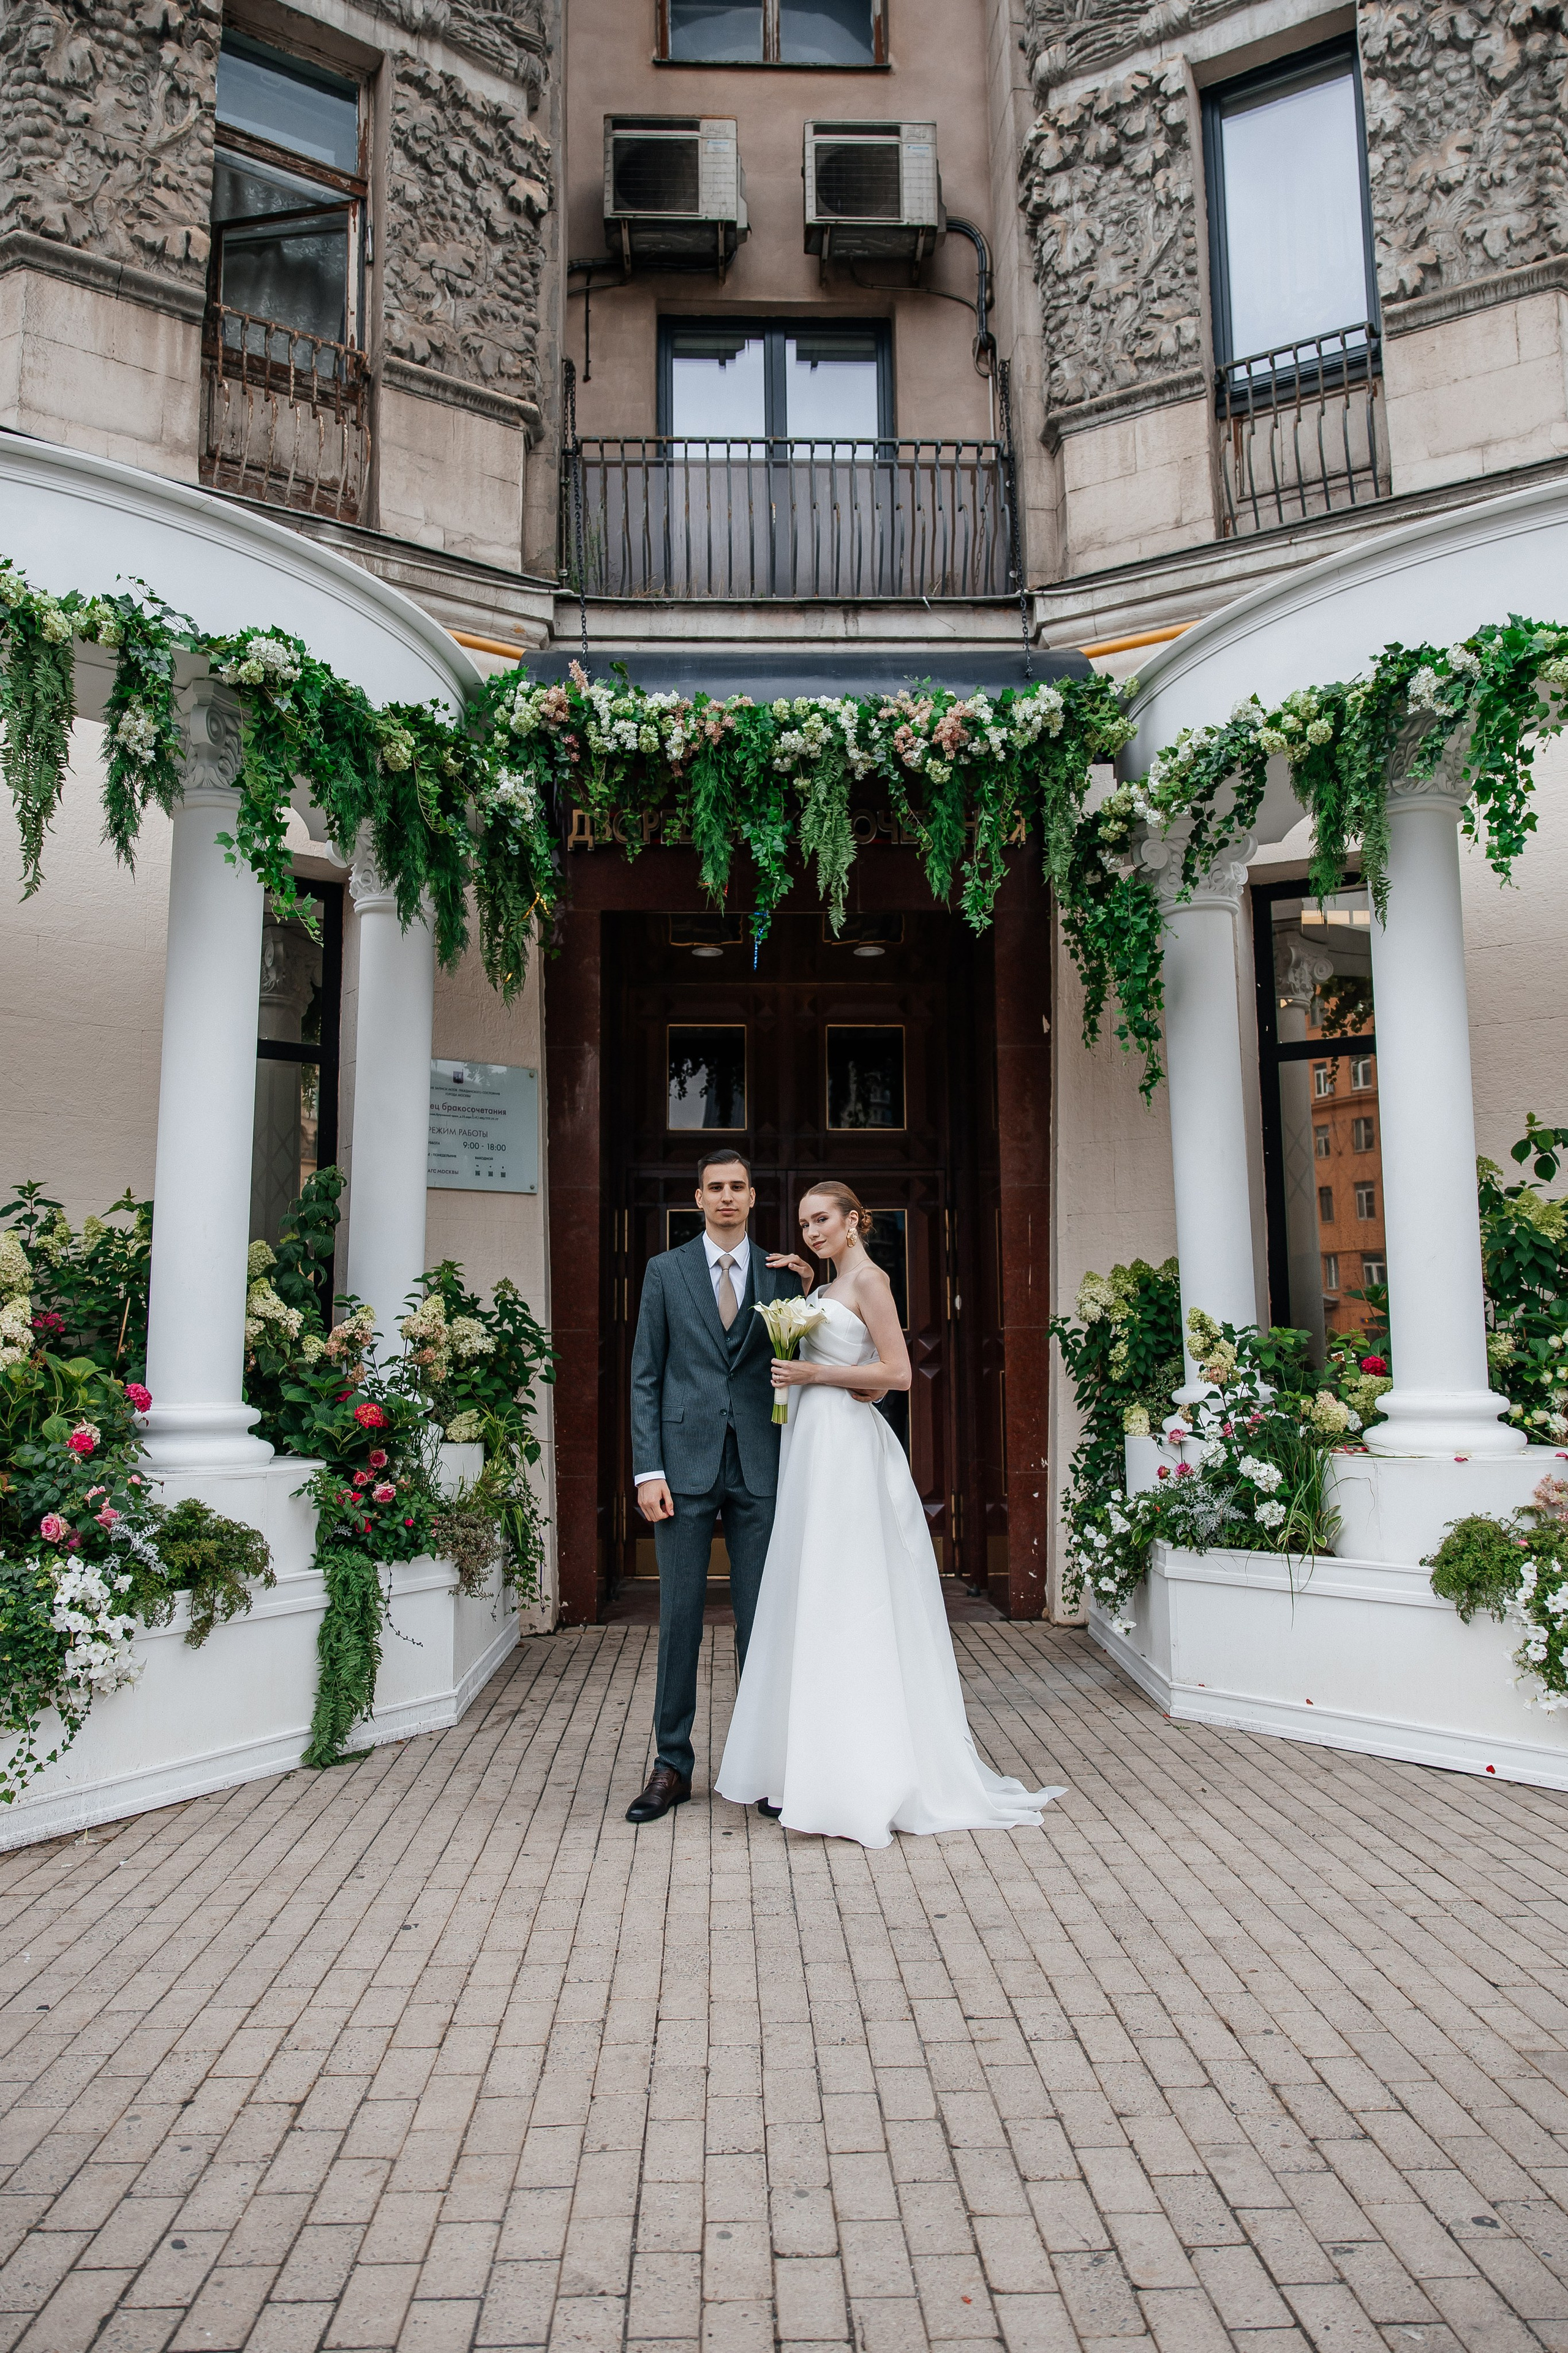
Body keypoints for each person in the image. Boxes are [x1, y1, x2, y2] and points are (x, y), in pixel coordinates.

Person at [717, 1182, 1066, 1847]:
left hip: (848, 1454)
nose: (812, 1230)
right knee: (815, 1595)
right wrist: (808, 1287)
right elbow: (863, 1368)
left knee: (851, 1595)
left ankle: (864, 1773)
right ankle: (816, 1765)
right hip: (814, 1447)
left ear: (853, 1221)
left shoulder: (872, 1280)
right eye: (804, 1223)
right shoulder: (826, 1284)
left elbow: (898, 1373)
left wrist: (811, 1375)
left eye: (822, 1220)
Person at [625, 1149, 820, 1824]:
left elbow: (804, 1362)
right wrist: (648, 1470)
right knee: (679, 1617)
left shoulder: (782, 1278)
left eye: (738, 1187)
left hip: (761, 1465)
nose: (727, 1197)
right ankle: (671, 1765)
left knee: (758, 1623)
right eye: (716, 1187)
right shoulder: (665, 1272)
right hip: (682, 1467)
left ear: (753, 1197)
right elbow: (646, 1375)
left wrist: (811, 1285)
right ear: (699, 1197)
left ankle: (761, 1763)